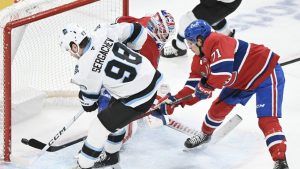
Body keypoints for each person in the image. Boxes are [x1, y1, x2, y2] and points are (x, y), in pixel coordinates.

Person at [159, 19, 289, 169]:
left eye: (191, 43)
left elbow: (222, 73)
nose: (189, 47)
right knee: (217, 108)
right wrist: (175, 101)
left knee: (266, 119)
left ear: (200, 40)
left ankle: (280, 161)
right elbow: (192, 87)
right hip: (241, 81)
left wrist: (206, 86)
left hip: (265, 73)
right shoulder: (199, 59)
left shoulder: (218, 41)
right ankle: (205, 134)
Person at [59, 22, 163, 169]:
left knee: (98, 127)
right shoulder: (103, 32)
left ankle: (83, 165)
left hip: (139, 97)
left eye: (69, 50)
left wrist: (88, 93)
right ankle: (111, 156)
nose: (70, 54)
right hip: (150, 76)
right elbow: (139, 31)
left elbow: (89, 104)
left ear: (74, 45)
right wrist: (133, 51)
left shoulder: (84, 69)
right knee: (112, 114)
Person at [93, 10, 176, 168]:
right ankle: (109, 148)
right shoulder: (149, 49)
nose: (165, 38)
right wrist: (154, 100)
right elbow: (145, 82)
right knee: (124, 126)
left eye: (167, 34)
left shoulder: (144, 21)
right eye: (163, 33)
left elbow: (120, 19)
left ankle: (103, 132)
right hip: (117, 80)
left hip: (105, 68)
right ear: (155, 28)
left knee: (106, 104)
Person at [161, 0, 242, 58]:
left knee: (186, 21)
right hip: (227, 2)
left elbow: (207, 3)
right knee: (214, 19)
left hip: (225, 4)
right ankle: (229, 41)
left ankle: (179, 48)